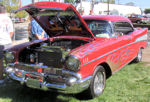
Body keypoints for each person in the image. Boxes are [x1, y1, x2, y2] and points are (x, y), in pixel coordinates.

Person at [0, 4, 14, 84]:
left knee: (0, 62)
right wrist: (7, 38)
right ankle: (10, 77)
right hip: (8, 42)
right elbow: (11, 32)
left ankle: (1, 80)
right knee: (9, 62)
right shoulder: (8, 19)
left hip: (0, 43)